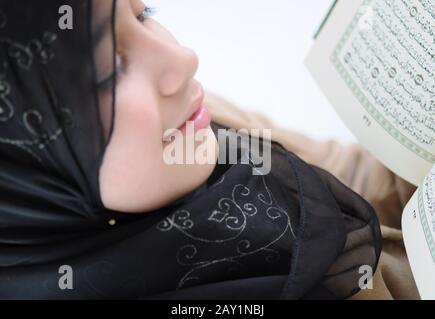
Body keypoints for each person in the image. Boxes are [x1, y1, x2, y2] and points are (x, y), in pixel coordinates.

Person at [0, 0, 382, 299]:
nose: (183, 59)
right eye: (110, 69)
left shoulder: (187, 125)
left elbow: (357, 177)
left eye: (143, 13)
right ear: (22, 164)